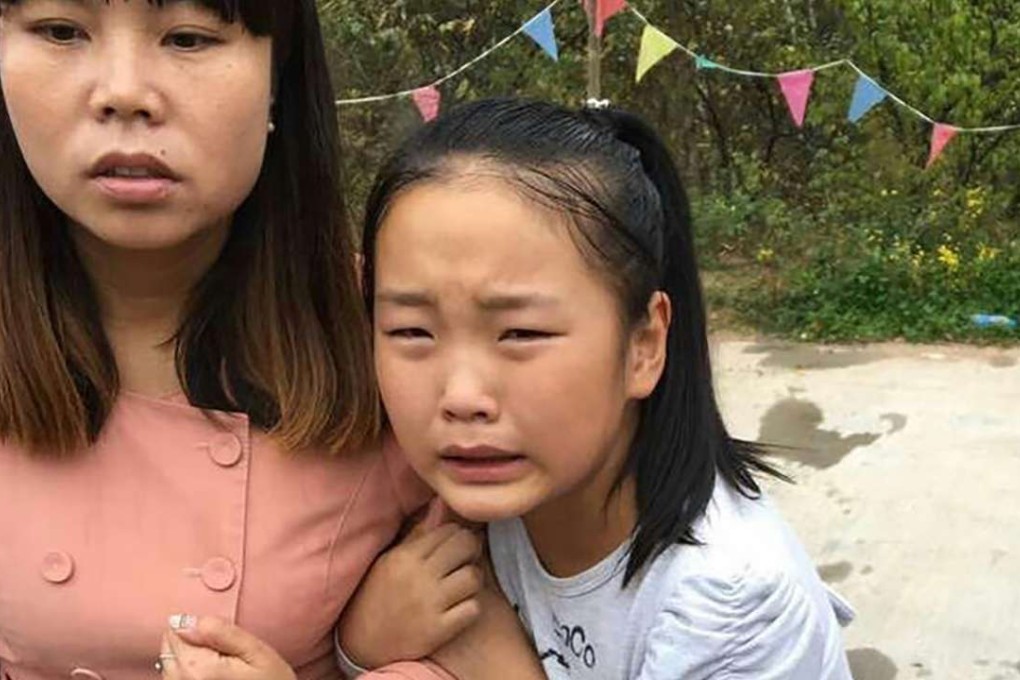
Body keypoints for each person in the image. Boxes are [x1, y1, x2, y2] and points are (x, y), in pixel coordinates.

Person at [0, 1, 493, 678]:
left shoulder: (394, 337)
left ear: (277, 77)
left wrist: (357, 658)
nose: (123, 93)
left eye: (188, 37)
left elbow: (487, 651)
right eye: (60, 30)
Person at [348, 97, 855, 678]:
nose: (461, 396)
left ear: (644, 345)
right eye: (411, 330)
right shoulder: (464, 510)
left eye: (521, 332)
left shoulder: (729, 605)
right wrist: (363, 639)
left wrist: (498, 663)